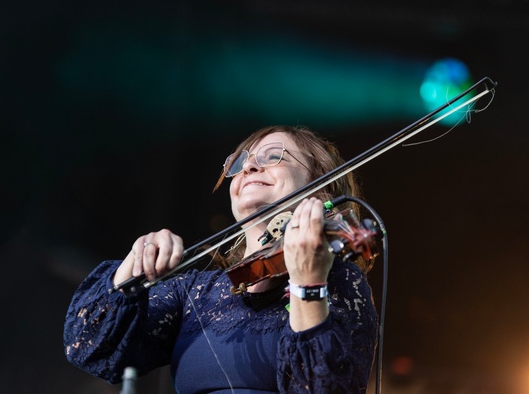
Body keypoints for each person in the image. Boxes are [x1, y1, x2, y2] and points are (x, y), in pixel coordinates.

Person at [63, 125, 378, 393]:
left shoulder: (338, 282)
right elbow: (89, 346)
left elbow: (325, 386)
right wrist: (134, 264)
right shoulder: (196, 292)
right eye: (239, 164)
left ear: (319, 182)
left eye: (273, 157)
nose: (249, 168)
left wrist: (308, 284)